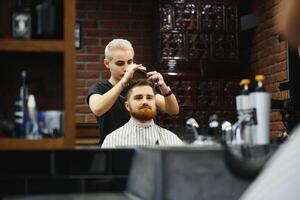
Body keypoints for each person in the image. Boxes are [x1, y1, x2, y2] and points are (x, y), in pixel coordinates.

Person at [86, 39, 179, 144]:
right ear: (107, 63)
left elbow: (173, 110)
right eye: (120, 63)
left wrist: (163, 87)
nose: (126, 68)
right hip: (112, 147)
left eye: (130, 62)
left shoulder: (137, 88)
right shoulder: (99, 88)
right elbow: (98, 109)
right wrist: (124, 81)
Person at [101, 79, 183, 148]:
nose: (145, 102)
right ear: (127, 106)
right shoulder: (114, 139)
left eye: (149, 98)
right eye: (138, 98)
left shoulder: (170, 139)